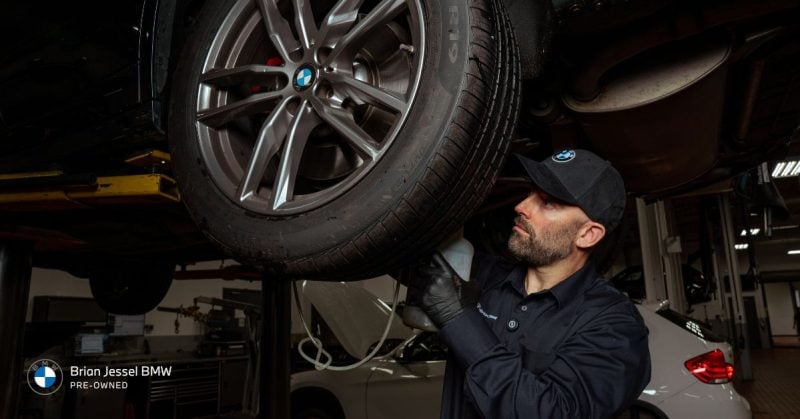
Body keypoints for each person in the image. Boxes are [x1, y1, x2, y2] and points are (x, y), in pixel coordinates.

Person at [410, 149, 651, 419]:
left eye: (547, 202)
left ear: (587, 234)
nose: (521, 207)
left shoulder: (615, 326)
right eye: (531, 193)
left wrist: (460, 320)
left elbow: (552, 413)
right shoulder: (483, 274)